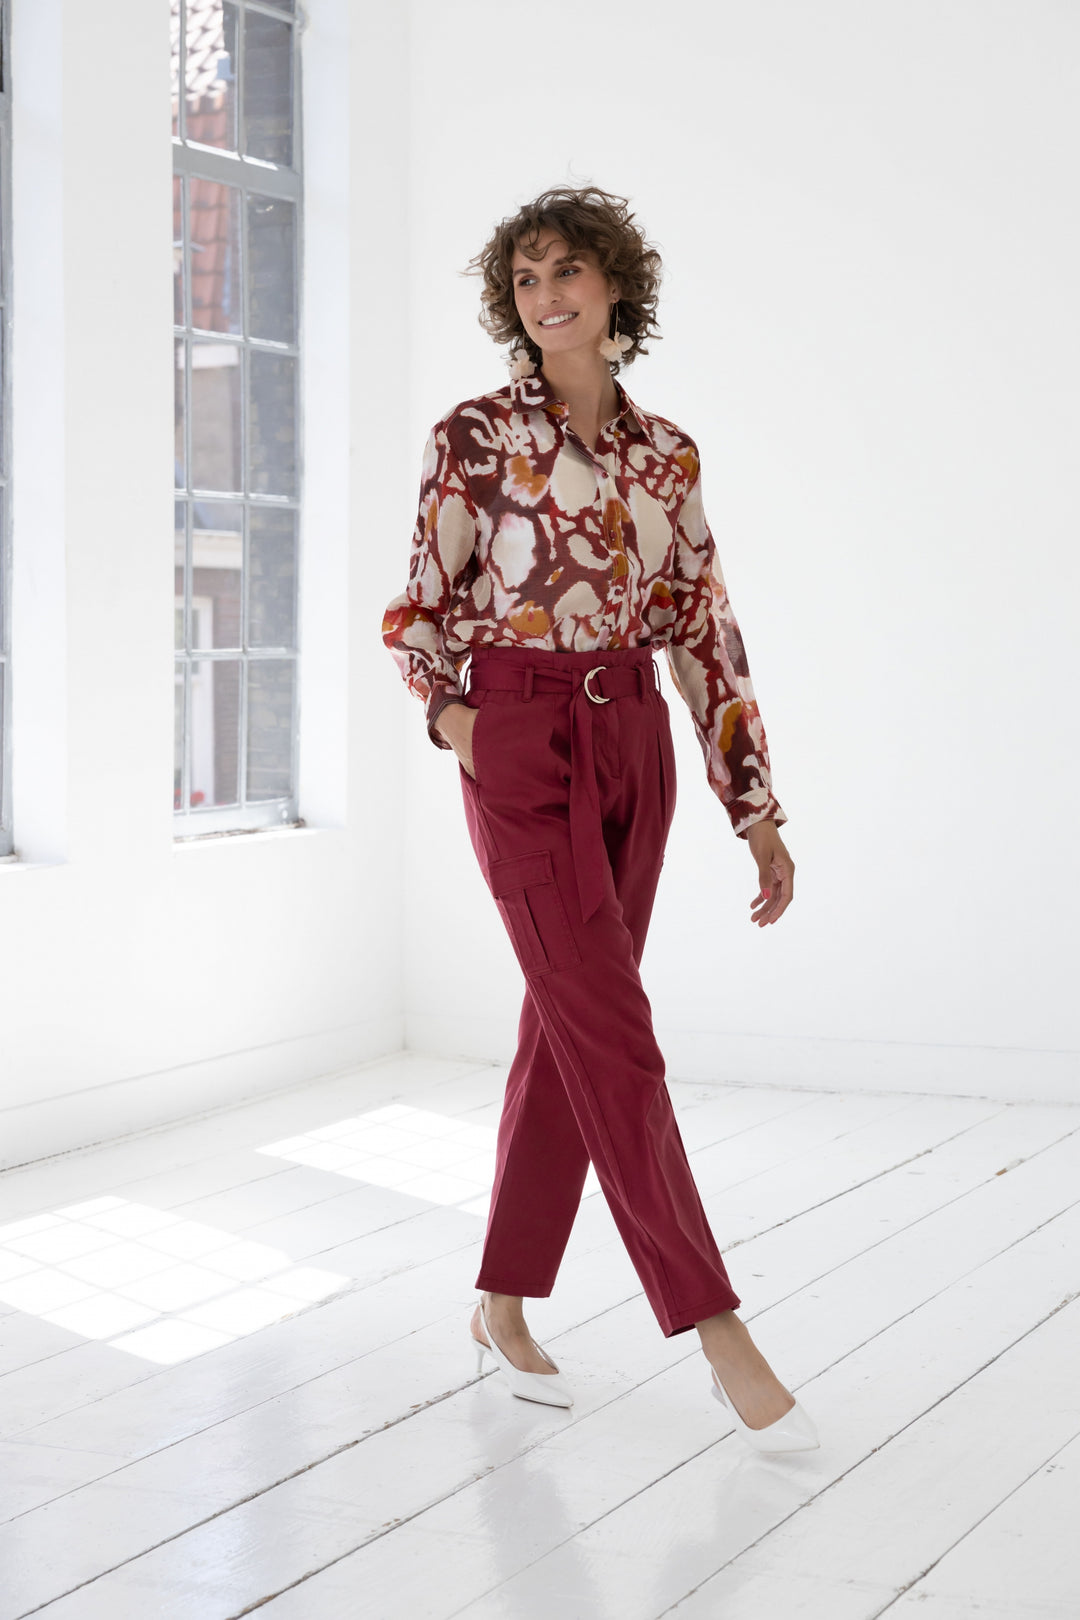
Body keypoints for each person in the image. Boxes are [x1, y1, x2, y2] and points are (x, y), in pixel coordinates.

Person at [382, 185, 818, 1452]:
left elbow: (702, 630)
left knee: (568, 1025)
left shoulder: (667, 453)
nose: (547, 295)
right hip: (521, 741)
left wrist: (754, 808)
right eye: (525, 279)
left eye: (568, 270)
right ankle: (716, 1323)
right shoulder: (473, 437)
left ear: (617, 284)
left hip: (633, 742)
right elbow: (416, 615)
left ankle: (502, 1300)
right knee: (614, 1033)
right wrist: (467, 729)